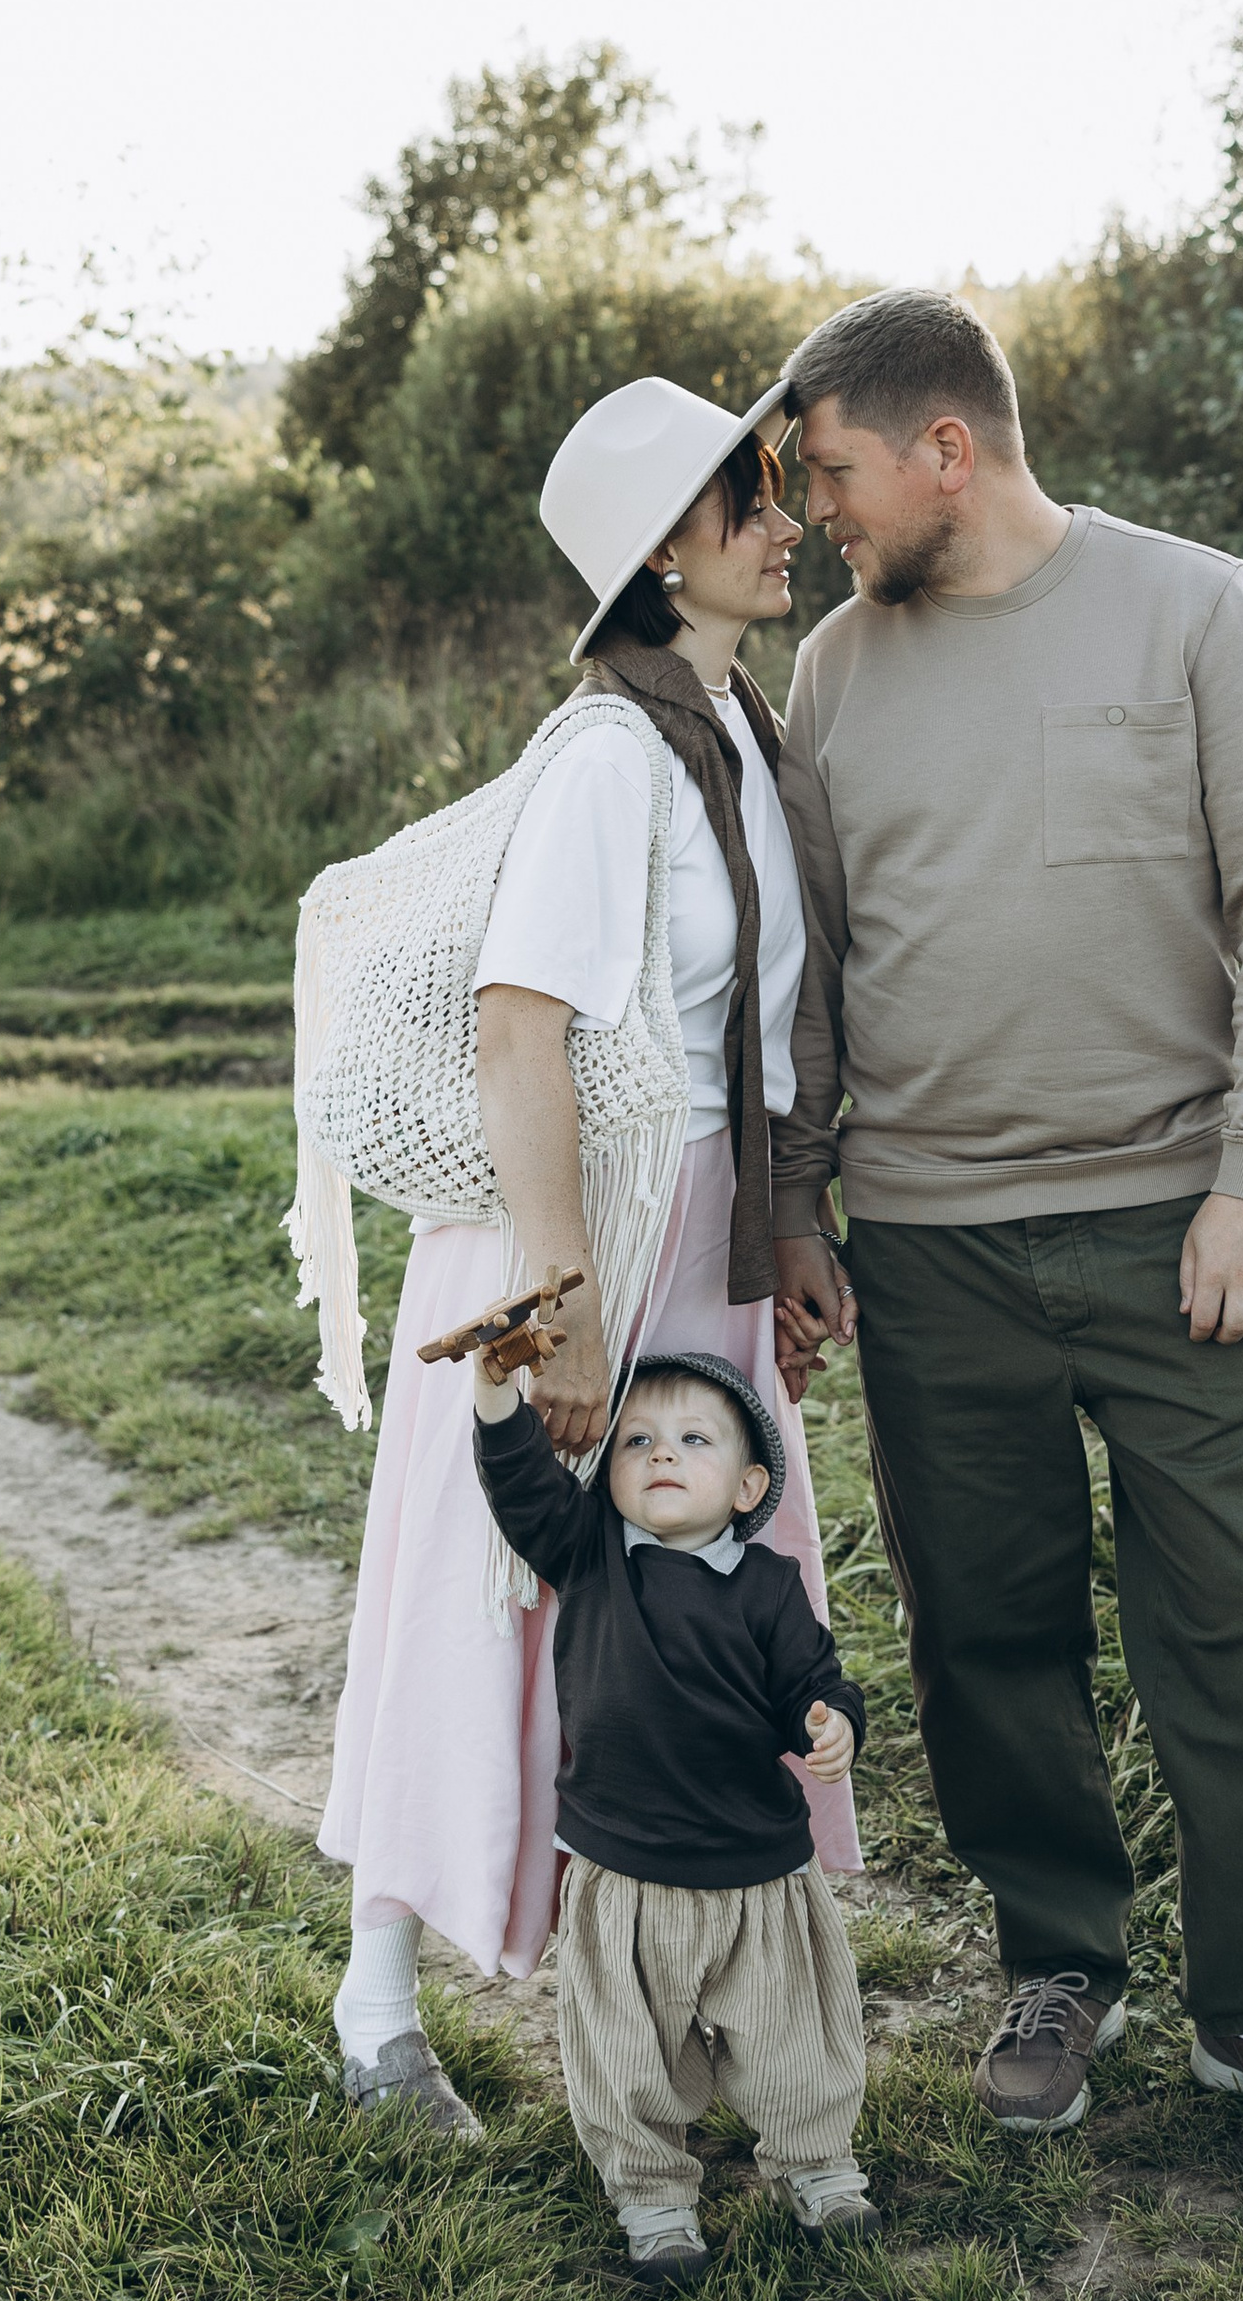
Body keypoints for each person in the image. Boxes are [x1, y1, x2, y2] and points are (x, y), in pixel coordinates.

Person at [767, 285, 1243, 2164]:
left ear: (946, 449)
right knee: (987, 1629)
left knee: (1241, 1619)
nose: (819, 516)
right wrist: (801, 1195)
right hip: (938, 1238)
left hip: (1173, 1229)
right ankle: (1061, 1959)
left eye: (837, 476)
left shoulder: (1193, 606)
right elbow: (806, 971)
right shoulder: (831, 674)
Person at [313, 372, 860, 2133]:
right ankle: (378, 2006)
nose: (784, 520)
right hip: (576, 1233)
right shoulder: (613, 758)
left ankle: (687, 1999)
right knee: (504, 1592)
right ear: (660, 557)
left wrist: (788, 1232)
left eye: (776, 489)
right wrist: (559, 1310)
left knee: (693, 1588)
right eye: (746, 500)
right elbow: (519, 1030)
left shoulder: (745, 739)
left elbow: (754, 1037)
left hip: (692, 1220)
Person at [474, 1349, 871, 2281]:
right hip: (627, 1868)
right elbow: (525, 1490)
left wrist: (831, 1722)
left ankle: (816, 2162)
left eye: (694, 1440)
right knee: (625, 2046)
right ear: (609, 1469)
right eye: (638, 1440)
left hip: (757, 1868)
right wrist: (498, 1398)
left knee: (792, 2033)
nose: (662, 1455)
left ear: (747, 1485)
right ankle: (652, 2196)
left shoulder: (769, 1586)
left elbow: (813, 1682)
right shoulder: (593, 1555)